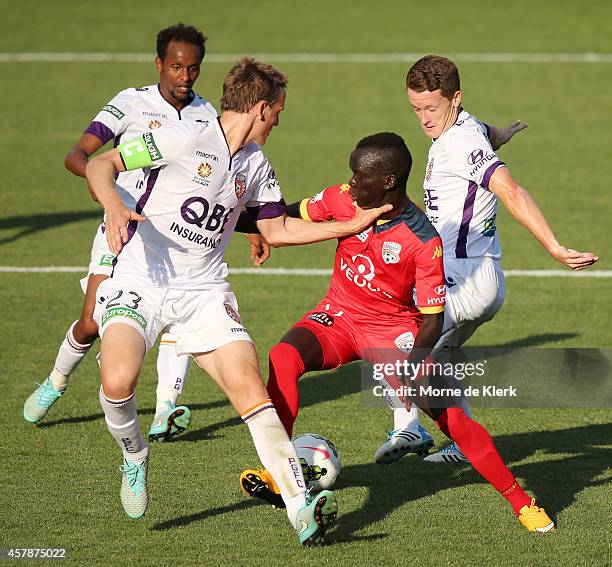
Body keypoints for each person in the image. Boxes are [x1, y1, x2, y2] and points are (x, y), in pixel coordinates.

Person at [85, 57, 390, 544]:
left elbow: (278, 228)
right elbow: (102, 162)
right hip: (142, 280)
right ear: (261, 108)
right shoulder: (183, 137)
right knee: (118, 382)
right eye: (277, 114)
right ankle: (135, 456)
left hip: (204, 292)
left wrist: (349, 226)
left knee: (253, 392)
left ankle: (299, 509)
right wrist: (115, 204)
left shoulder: (255, 165)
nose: (278, 124)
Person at [240, 132, 555, 532]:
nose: (350, 183)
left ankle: (521, 501)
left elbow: (432, 318)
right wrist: (232, 223)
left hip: (392, 332)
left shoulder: (423, 240)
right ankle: (280, 473)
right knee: (282, 357)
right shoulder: (344, 198)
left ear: (389, 180)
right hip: (339, 315)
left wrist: (410, 365)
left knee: (455, 421)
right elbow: (283, 214)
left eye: (360, 176)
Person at [23, 23, 268, 441]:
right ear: (159, 64)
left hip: (174, 237)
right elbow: (78, 155)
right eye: (176, 66)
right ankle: (57, 381)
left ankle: (165, 408)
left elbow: (222, 186)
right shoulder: (131, 104)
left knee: (178, 317)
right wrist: (110, 196)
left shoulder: (208, 115)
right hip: (122, 229)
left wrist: (247, 228)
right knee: (91, 320)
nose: (184, 76)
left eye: (193, 68)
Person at [374, 54, 599, 464]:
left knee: (395, 344)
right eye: (416, 108)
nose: (423, 118)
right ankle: (465, 441)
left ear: (454, 99)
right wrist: (503, 134)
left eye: (431, 108)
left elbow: (510, 189)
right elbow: (487, 133)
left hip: (465, 278)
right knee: (436, 358)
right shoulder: (466, 127)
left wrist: (553, 246)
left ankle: (408, 428)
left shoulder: (459, 143)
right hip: (480, 281)